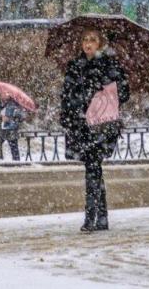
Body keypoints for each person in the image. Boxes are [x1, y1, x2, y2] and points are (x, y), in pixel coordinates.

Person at [60, 28, 129, 233]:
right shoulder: (75, 66)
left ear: (99, 43)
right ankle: (102, 217)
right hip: (81, 124)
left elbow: (123, 93)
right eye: (85, 39)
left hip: (100, 125)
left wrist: (104, 84)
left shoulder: (109, 65)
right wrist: (70, 114)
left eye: (92, 40)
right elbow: (66, 94)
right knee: (94, 169)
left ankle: (91, 217)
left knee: (92, 167)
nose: (87, 43)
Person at [0, 96, 24, 161]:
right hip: (8, 128)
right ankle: (15, 160)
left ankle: (15, 160)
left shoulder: (13, 106)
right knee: (13, 146)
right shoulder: (7, 105)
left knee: (13, 145)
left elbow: (19, 118)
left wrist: (9, 119)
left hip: (10, 129)